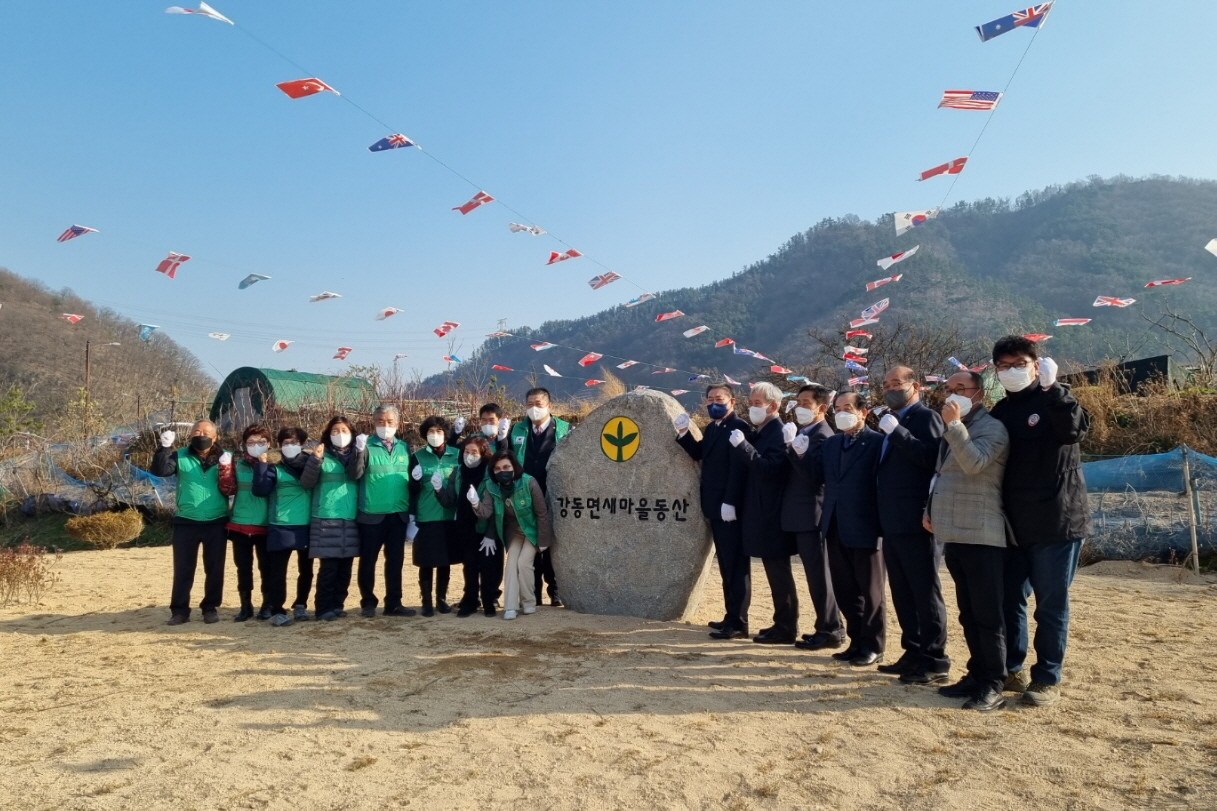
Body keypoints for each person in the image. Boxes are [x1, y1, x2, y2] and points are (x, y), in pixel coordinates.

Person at [989, 335, 1091, 707]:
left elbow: (1073, 431)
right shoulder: (1000, 412)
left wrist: (1055, 389)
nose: (1011, 371)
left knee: (1051, 602)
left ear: (1036, 364)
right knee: (1010, 599)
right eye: (1003, 366)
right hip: (1015, 524)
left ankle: (1047, 677)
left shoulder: (1056, 400)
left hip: (1057, 520)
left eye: (1019, 363)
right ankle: (1011, 668)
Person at [926, 371, 1011, 711]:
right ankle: (976, 674)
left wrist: (956, 426)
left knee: (988, 615)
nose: (951, 395)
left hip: (982, 531)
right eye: (948, 389)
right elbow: (941, 473)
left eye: (960, 389)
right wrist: (929, 508)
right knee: (969, 613)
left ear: (979, 393)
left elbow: (974, 464)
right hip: (954, 530)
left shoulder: (993, 428)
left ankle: (993, 684)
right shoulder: (951, 427)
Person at [875, 366, 949, 684]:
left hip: (918, 520)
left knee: (924, 591)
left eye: (897, 383)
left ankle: (934, 659)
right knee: (902, 591)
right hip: (892, 520)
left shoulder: (926, 417)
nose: (891, 388)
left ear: (915, 386)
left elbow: (932, 460)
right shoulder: (892, 420)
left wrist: (898, 434)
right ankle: (913, 650)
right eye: (886, 384)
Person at [812, 391, 886, 666]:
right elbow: (816, 477)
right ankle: (856, 640)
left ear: (863, 412)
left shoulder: (878, 442)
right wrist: (796, 453)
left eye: (847, 408)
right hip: (834, 523)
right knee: (845, 588)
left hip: (866, 524)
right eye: (837, 408)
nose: (841, 412)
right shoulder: (831, 444)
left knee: (871, 591)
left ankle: (874, 645)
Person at [675, 383, 751, 640]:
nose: (714, 403)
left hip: (729, 508)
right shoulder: (713, 427)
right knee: (726, 566)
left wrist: (730, 501)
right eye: (710, 399)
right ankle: (730, 616)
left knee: (736, 565)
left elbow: (738, 469)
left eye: (719, 398)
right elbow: (699, 453)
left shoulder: (738, 427)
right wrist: (684, 432)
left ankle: (739, 622)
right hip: (714, 506)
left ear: (733, 401)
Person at [728, 382, 797, 645]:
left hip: (772, 513)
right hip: (759, 511)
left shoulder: (778, 432)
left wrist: (744, 447)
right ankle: (781, 623)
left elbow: (769, 469)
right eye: (752, 402)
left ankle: (787, 627)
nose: (752, 407)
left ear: (774, 406)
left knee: (779, 573)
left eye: (757, 403)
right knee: (772, 572)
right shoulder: (762, 430)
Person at [783, 384, 845, 651]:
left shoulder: (824, 435)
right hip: (797, 513)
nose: (800, 407)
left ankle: (831, 628)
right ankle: (825, 625)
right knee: (813, 574)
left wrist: (797, 452)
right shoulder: (804, 431)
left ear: (821, 407)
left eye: (806, 403)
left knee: (820, 575)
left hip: (813, 514)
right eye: (798, 402)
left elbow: (815, 477)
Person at [151, 419, 229, 625]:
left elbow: (232, 485)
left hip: (216, 521)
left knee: (215, 568)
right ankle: (179, 610)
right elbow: (161, 471)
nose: (200, 434)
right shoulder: (180, 455)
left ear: (215, 437)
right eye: (196, 431)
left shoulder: (224, 458)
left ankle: (210, 607)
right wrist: (164, 448)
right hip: (186, 520)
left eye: (205, 432)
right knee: (183, 568)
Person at [472, 450, 553, 619]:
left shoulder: (528, 482)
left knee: (524, 563)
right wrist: (475, 503)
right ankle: (511, 606)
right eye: (498, 469)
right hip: (513, 531)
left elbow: (541, 512)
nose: (503, 471)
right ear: (493, 471)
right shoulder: (491, 487)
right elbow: (486, 513)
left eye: (506, 467)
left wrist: (544, 539)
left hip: (531, 530)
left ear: (514, 467)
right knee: (511, 565)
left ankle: (528, 602)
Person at [508, 387, 570, 607]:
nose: (533, 409)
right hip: (525, 495)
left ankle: (556, 590)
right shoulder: (518, 429)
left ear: (549, 406)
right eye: (529, 404)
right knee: (530, 541)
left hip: (553, 493)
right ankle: (532, 592)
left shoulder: (565, 429)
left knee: (553, 545)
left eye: (538, 404)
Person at [300, 416, 366, 621]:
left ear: (352, 434)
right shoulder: (321, 455)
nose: (340, 435)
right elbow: (307, 482)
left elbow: (357, 475)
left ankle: (338, 604)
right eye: (335, 431)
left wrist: (360, 452)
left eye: (344, 430)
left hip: (351, 517)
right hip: (326, 517)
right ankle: (322, 608)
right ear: (328, 435)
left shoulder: (359, 454)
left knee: (345, 568)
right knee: (328, 568)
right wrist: (315, 460)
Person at [356, 405, 417, 618]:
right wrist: (358, 451)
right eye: (381, 421)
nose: (385, 425)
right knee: (368, 560)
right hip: (371, 514)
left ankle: (394, 603)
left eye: (390, 422)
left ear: (398, 424)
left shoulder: (404, 448)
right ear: (374, 423)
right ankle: (368, 602)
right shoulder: (365, 446)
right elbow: (355, 474)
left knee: (395, 561)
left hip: (398, 514)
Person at [437, 436, 501, 617]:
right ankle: (470, 600)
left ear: (483, 453)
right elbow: (449, 501)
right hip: (465, 527)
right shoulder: (458, 472)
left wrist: (491, 534)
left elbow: (496, 508)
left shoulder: (490, 474)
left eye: (474, 452)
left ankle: (489, 601)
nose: (469, 456)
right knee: (470, 565)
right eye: (466, 451)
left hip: (486, 527)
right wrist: (438, 490)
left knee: (488, 566)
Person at [255, 426, 314, 624]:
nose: (291, 446)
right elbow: (261, 489)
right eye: (286, 442)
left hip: (306, 523)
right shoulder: (274, 465)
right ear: (279, 445)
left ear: (303, 444)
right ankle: (277, 609)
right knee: (278, 570)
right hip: (281, 524)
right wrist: (262, 466)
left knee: (306, 569)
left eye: (295, 442)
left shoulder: (312, 463)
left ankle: (301, 605)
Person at [218, 425, 273, 623]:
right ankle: (245, 605)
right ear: (244, 444)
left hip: (265, 524)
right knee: (243, 567)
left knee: (266, 568)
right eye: (251, 442)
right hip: (239, 524)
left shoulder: (274, 464)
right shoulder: (237, 464)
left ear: (269, 444)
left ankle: (267, 604)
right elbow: (229, 489)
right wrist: (224, 470)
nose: (255, 446)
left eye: (261, 442)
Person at [411, 415, 461, 616]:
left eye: (439, 431)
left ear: (446, 434)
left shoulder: (457, 455)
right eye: (431, 432)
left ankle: (441, 598)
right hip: (427, 515)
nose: (435, 435)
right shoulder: (417, 456)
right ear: (425, 435)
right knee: (426, 560)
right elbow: (411, 487)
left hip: (449, 516)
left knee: (444, 560)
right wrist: (414, 482)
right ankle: (426, 600)